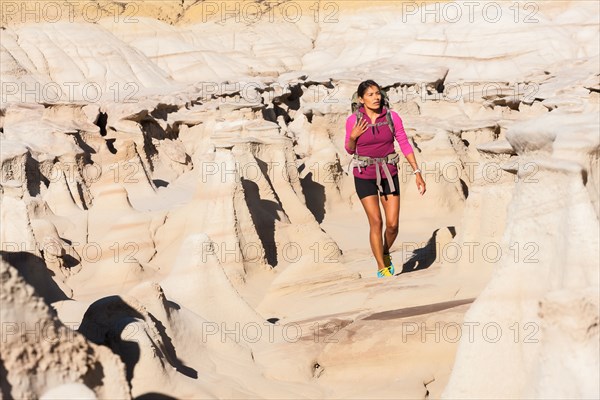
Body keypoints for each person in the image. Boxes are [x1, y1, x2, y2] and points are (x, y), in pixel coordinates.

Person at [345, 80, 426, 278]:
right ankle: (382, 268)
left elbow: (404, 144)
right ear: (361, 99)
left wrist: (417, 173)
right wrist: (354, 136)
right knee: (376, 222)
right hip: (364, 175)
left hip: (388, 173)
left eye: (377, 93)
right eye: (370, 94)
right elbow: (349, 149)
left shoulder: (391, 117)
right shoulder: (353, 120)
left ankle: (385, 251)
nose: (376, 97)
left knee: (392, 225)